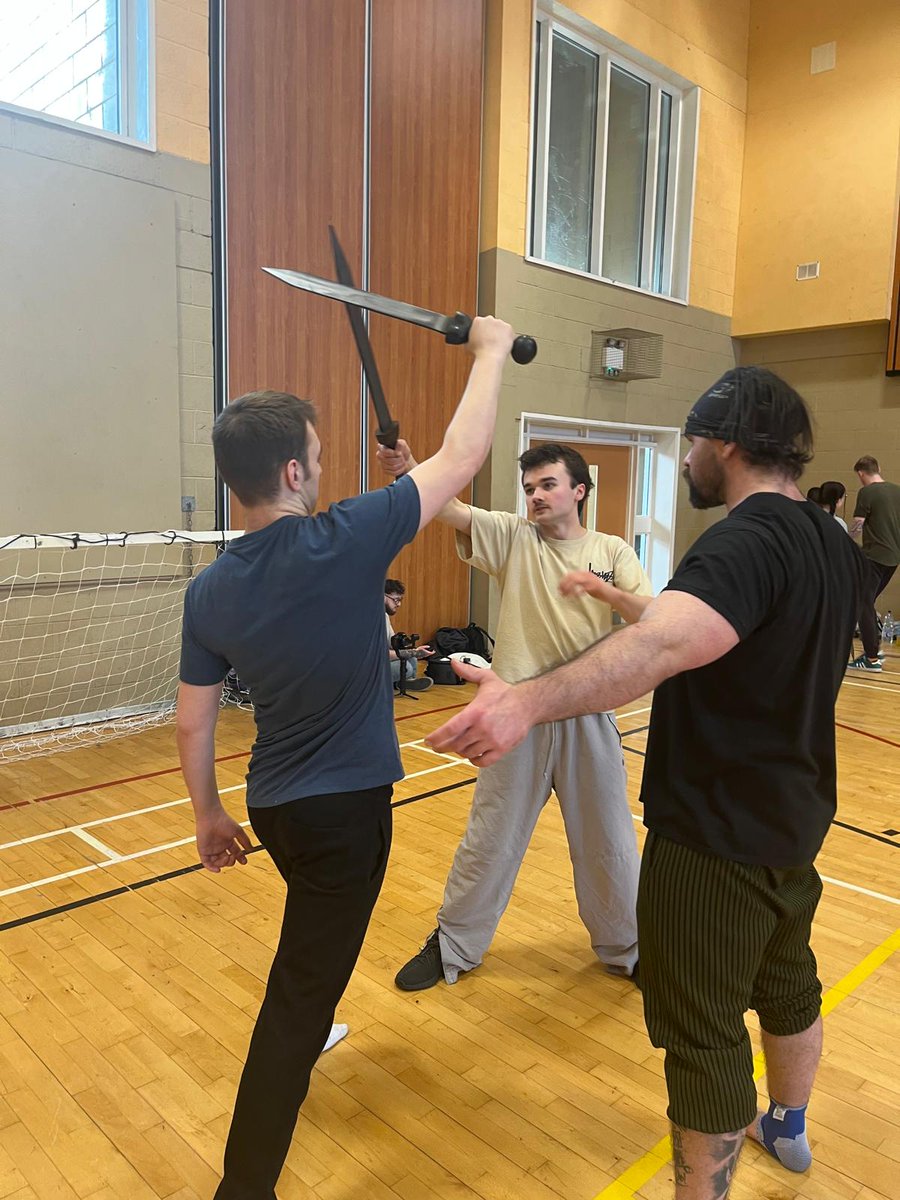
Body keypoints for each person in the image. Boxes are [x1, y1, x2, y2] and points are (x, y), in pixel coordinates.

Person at [425, 367, 866, 1200]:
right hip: (794, 822)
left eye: (695, 440)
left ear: (726, 442)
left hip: (716, 833)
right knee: (787, 979)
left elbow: (663, 643)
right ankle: (789, 1124)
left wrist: (525, 700)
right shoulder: (828, 542)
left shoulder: (744, 540)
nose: (691, 456)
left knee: (701, 1031)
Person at [176, 315, 515, 1200]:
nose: (324, 470)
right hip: (344, 813)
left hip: (274, 809)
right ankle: (241, 1187)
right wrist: (489, 351)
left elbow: (192, 722)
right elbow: (464, 454)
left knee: (312, 942)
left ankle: (317, 1005)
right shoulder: (347, 536)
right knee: (296, 995)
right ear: (292, 472)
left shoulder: (209, 589)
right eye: (318, 458)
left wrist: (209, 814)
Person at [378, 440, 650, 991]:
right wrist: (413, 470)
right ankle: (454, 944)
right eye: (529, 488)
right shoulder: (512, 536)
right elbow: (445, 506)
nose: (536, 496)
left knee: (610, 843)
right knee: (489, 839)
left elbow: (651, 615)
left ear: (579, 490)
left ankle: (629, 951)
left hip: (586, 716)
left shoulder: (613, 550)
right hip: (513, 717)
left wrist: (603, 590)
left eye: (548, 485)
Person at [847, 455, 900, 672]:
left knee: (862, 602)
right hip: (893, 558)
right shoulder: (897, 490)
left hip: (875, 555)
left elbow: (858, 523)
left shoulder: (866, 492)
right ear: (878, 468)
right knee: (865, 601)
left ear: (860, 474)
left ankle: (871, 658)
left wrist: (845, 538)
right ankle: (870, 652)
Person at [384, 578, 434, 692]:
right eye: (396, 600)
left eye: (400, 600)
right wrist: (412, 652)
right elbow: (379, 655)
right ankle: (402, 681)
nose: (399, 604)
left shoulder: (384, 616)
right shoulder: (370, 620)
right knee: (407, 667)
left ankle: (404, 682)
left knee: (411, 659)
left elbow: (392, 644)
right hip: (362, 670)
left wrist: (413, 650)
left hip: (378, 661)